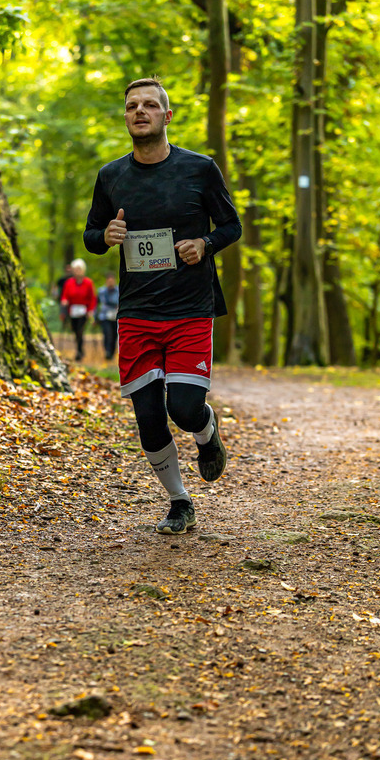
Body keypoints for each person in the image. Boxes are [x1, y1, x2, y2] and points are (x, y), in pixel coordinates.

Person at [83, 77, 242, 535]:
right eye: (132, 105)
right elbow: (92, 235)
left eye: (150, 105)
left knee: (185, 409)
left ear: (166, 116)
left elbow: (231, 226)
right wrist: (105, 236)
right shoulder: (111, 176)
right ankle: (179, 501)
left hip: (190, 307)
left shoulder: (199, 168)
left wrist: (205, 244)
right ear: (125, 116)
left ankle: (206, 433)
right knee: (149, 418)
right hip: (137, 312)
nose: (140, 111)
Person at [60, 258, 97, 361]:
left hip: (83, 311)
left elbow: (92, 298)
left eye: (79, 269)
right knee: (75, 330)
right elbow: (64, 295)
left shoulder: (88, 283)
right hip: (72, 311)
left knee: (80, 330)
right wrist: (64, 301)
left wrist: (91, 310)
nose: (77, 271)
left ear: (83, 270)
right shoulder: (69, 283)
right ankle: (79, 349)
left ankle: (79, 352)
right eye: (75, 269)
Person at [96, 272, 119, 359]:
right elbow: (97, 304)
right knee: (107, 333)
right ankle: (107, 351)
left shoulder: (119, 291)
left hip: (115, 316)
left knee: (114, 335)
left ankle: (111, 352)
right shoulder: (101, 291)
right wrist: (95, 317)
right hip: (105, 316)